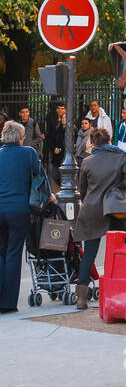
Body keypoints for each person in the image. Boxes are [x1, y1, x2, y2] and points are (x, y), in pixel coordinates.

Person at [73, 128, 126, 310]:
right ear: (110, 140)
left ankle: (81, 298)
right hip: (115, 208)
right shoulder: (121, 157)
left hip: (92, 209)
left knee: (89, 254)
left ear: (93, 143)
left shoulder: (87, 161)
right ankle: (125, 287)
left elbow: (83, 189)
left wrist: (87, 201)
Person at [0, 121, 51, 312]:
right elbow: (41, 178)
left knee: (0, 252)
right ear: (21, 138)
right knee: (13, 253)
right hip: (19, 209)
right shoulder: (28, 153)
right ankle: (7, 303)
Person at [49, 108, 69, 186]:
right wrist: (54, 148)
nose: (64, 119)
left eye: (66, 117)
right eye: (63, 117)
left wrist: (60, 149)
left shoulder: (71, 130)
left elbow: (70, 144)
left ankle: (65, 189)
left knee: (64, 175)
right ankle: (63, 187)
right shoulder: (58, 129)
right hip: (56, 156)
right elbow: (53, 140)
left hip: (65, 156)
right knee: (54, 175)